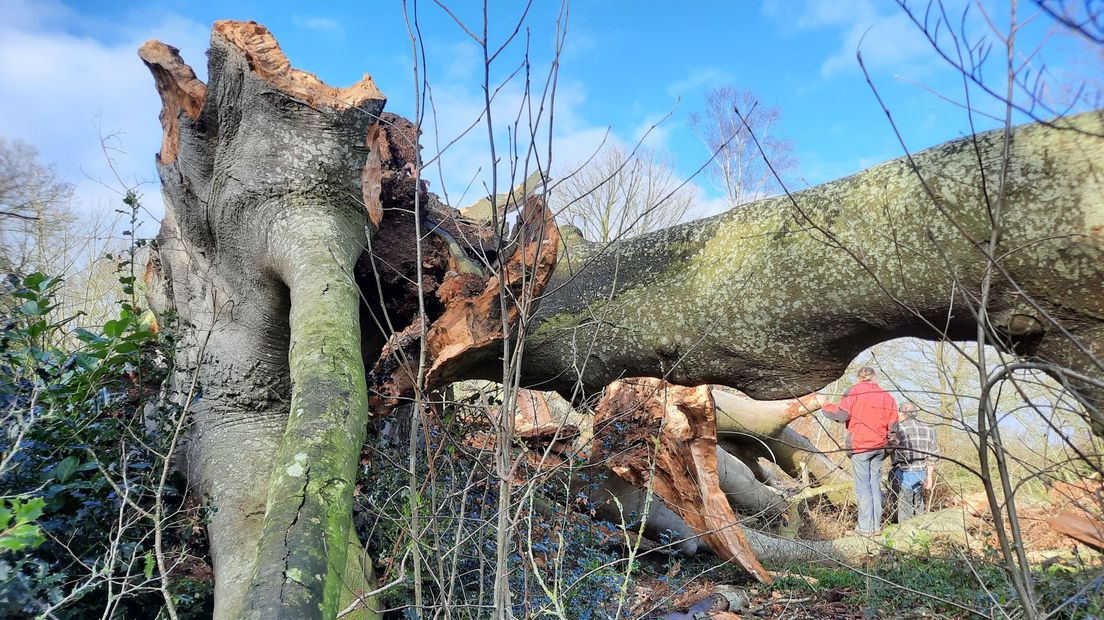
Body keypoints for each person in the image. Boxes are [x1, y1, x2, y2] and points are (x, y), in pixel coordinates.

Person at [816, 366, 899, 536]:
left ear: (859, 377)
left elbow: (841, 414)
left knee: (863, 488)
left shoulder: (854, 392)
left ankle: (864, 529)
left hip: (861, 446)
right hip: (880, 447)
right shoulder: (887, 396)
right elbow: (894, 427)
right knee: (874, 486)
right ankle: (875, 527)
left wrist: (824, 405)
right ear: (874, 377)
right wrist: (889, 447)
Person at [889, 402, 939, 522]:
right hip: (921, 473)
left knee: (904, 507)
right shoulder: (928, 430)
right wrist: (929, 477)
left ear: (902, 413)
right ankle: (919, 533)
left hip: (904, 472)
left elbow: (890, 449)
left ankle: (904, 534)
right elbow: (933, 455)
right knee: (919, 505)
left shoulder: (899, 430)